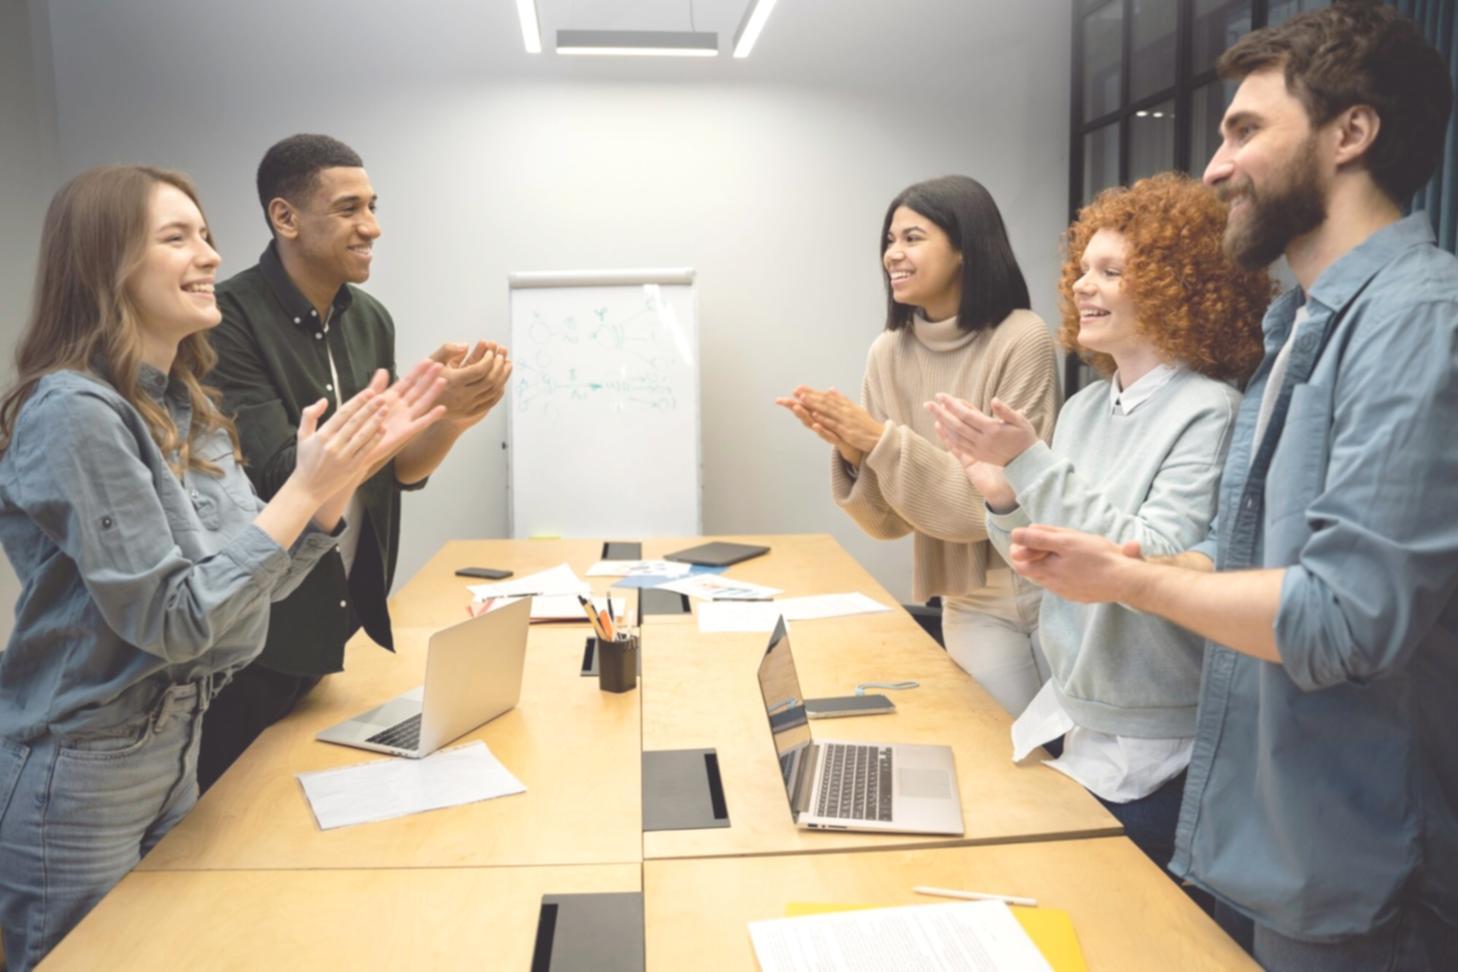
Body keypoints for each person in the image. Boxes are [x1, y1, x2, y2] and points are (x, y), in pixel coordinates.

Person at [1004, 2, 1458, 966]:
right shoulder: (1295, 329)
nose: (1215, 167)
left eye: (1245, 130)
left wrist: (1131, 581)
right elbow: (1245, 557)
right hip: (1272, 832)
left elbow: (1343, 618)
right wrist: (1125, 561)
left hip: (1366, 861)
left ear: (1352, 132)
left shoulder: (1419, 322)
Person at [0, 165, 445, 970]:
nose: (208, 255)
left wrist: (329, 496)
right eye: (177, 238)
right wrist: (305, 488)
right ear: (106, 267)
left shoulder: (184, 402)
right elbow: (177, 619)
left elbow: (243, 588)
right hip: (82, 772)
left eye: (205, 235)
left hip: (176, 744)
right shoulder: (71, 412)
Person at [927, 172, 1270, 877]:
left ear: (1179, 286)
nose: (1084, 286)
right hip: (1081, 713)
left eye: (1111, 272)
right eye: (1083, 269)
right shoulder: (1085, 409)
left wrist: (1030, 465)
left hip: (1156, 741)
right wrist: (1002, 499)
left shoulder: (1208, 410)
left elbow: (1152, 559)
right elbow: (1041, 554)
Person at [198, 134, 512, 789]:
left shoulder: (370, 318)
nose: (371, 226)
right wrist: (400, 417)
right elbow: (282, 477)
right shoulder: (226, 320)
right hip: (260, 638)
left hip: (345, 619)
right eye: (348, 209)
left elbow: (398, 471)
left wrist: (450, 419)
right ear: (285, 218)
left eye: (371, 205)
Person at [777, 175, 1059, 715]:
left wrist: (880, 441)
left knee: (1074, 769)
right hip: (965, 596)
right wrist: (858, 454)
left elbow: (993, 506)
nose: (893, 254)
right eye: (889, 239)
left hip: (1047, 587)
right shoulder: (887, 352)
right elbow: (889, 523)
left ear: (964, 249)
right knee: (1005, 752)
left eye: (912, 237)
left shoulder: (1023, 337)